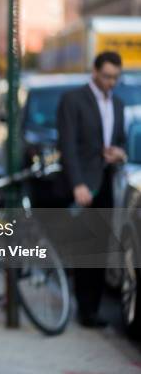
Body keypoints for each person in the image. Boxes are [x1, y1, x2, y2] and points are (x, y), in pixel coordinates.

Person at [56, 51, 127, 328]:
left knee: (101, 247)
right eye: (107, 76)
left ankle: (93, 309)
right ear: (95, 72)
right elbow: (68, 146)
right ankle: (85, 310)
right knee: (85, 248)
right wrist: (77, 184)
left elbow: (119, 140)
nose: (111, 82)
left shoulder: (118, 104)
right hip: (84, 185)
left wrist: (119, 153)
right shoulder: (73, 100)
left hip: (107, 182)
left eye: (115, 78)